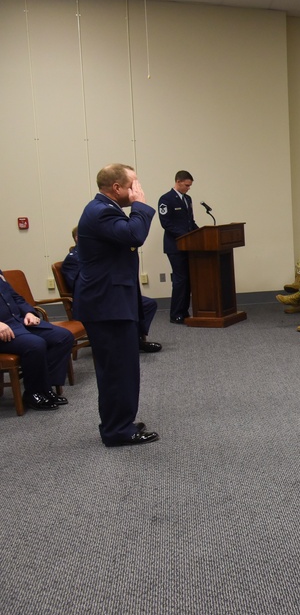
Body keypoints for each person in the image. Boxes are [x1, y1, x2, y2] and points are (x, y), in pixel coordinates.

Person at [75, 163, 159, 446]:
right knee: (117, 371)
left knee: (122, 368)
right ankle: (117, 431)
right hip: (106, 305)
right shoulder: (102, 212)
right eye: (133, 184)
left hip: (110, 302)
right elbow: (135, 234)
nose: (137, 189)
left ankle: (121, 423)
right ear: (117, 188)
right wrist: (140, 205)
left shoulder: (105, 210)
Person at [62, 226, 160, 352]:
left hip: (109, 294)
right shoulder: (73, 259)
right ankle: (131, 341)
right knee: (126, 306)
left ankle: (133, 339)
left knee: (147, 304)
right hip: (94, 300)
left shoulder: (93, 254)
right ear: (78, 238)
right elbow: (79, 285)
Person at [0, 269, 74, 410]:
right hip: (3, 331)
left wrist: (28, 312)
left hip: (18, 322)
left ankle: (45, 389)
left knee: (63, 337)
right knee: (35, 344)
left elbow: (15, 297)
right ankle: (33, 393)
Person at [157, 170, 198, 324]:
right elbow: (166, 224)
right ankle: (175, 314)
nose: (188, 188)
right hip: (175, 246)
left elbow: (190, 222)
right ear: (178, 181)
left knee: (188, 279)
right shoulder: (166, 199)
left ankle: (184, 311)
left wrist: (199, 233)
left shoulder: (188, 199)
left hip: (188, 246)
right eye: (187, 185)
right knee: (180, 279)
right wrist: (185, 235)